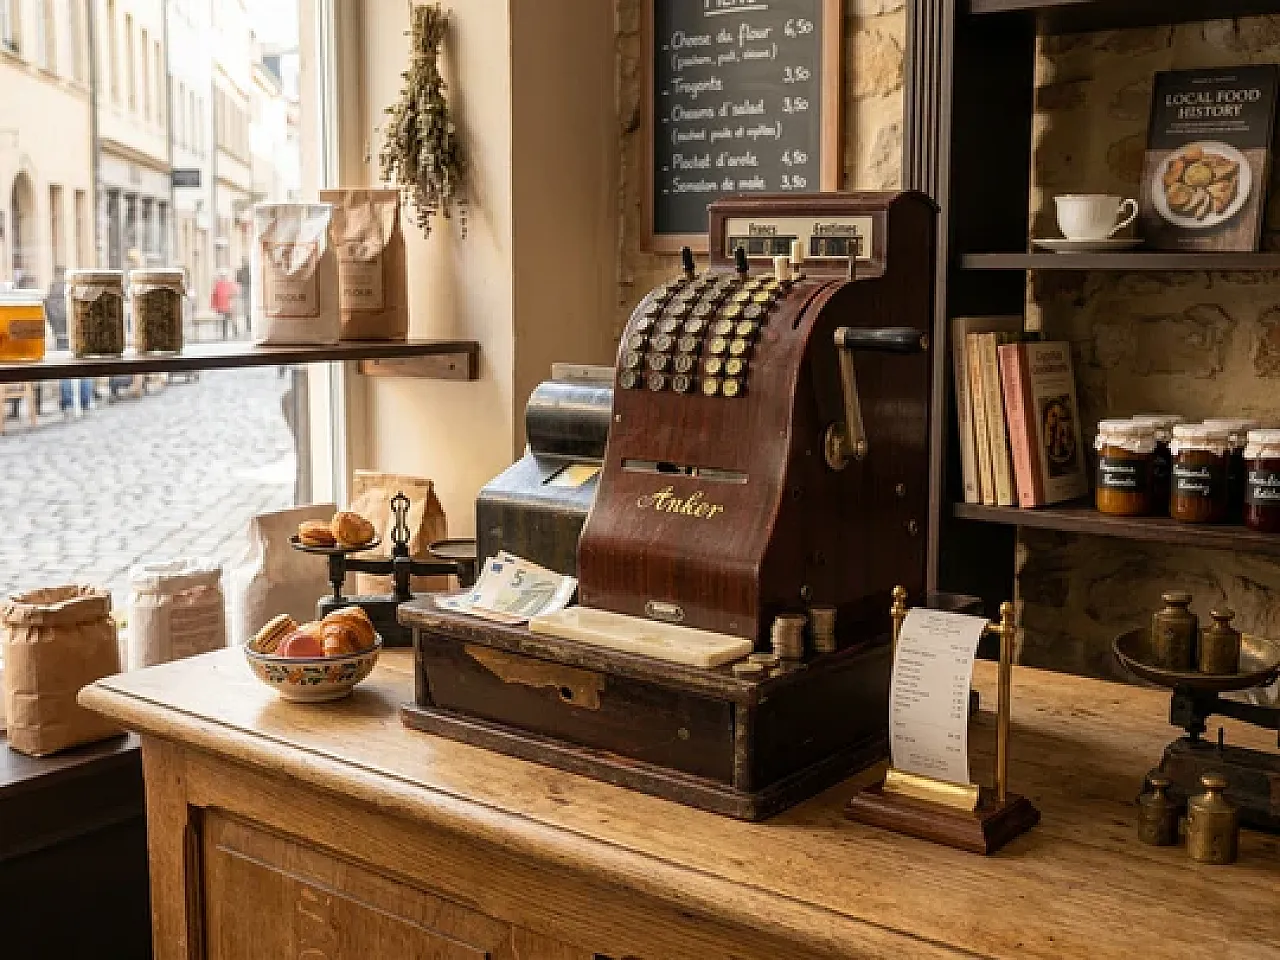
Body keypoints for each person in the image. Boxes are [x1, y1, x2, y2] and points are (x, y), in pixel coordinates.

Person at [211, 269, 239, 340]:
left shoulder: (230, 284)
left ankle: (235, 333)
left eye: (224, 276)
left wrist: (232, 300)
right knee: (224, 321)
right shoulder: (218, 285)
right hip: (222, 306)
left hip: (229, 305)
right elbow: (214, 295)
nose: (223, 277)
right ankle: (225, 335)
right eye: (222, 276)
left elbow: (235, 293)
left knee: (232, 320)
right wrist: (214, 306)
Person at [236, 259, 253, 334]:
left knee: (247, 309)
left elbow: (238, 280)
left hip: (248, 289)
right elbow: (238, 280)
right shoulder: (242, 271)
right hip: (246, 289)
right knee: (247, 309)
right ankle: (249, 325)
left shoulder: (244, 271)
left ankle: (249, 325)